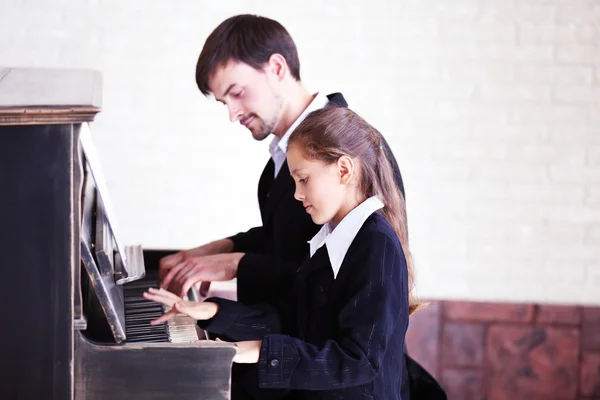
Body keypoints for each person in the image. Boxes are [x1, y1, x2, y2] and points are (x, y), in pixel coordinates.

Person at [145, 106, 417, 399]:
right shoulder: (330, 236)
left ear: (343, 170)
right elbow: (294, 319)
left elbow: (358, 360)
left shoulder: (377, 245)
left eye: (303, 179)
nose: (297, 194)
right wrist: (213, 312)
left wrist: (252, 352)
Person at [158, 14, 405, 307]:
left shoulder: (353, 149)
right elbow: (287, 241)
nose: (233, 114)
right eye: (225, 102)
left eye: (237, 93)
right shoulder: (279, 160)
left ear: (276, 67)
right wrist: (213, 251)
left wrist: (237, 264)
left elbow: (328, 278)